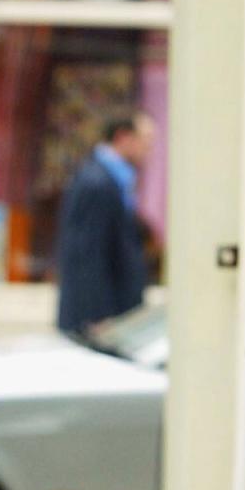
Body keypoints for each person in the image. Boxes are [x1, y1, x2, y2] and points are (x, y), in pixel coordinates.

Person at [56, 110, 156, 333]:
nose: (149, 149)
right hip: (99, 321)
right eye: (145, 140)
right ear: (123, 137)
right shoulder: (97, 181)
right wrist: (97, 314)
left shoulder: (116, 178)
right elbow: (87, 253)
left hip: (117, 314)